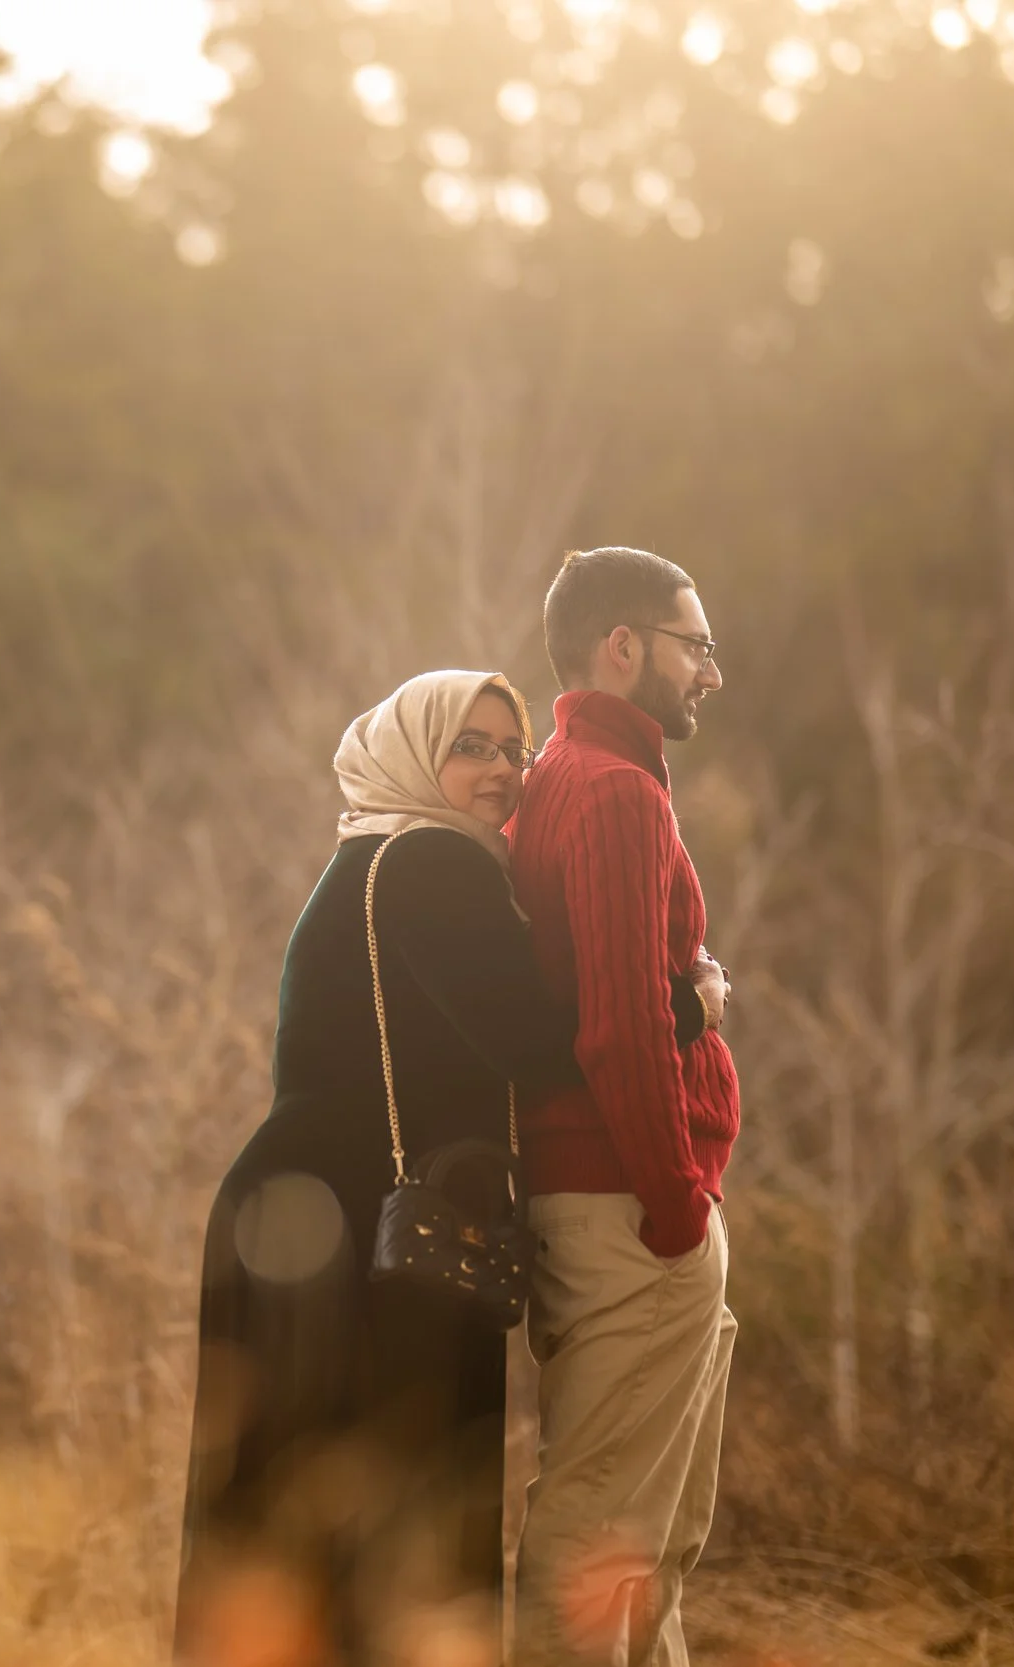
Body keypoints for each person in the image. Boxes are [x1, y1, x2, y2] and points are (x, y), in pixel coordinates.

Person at [175, 669, 710, 1667]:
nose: (500, 771)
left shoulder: (371, 856)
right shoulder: (430, 862)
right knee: (392, 1501)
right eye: (469, 745)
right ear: (414, 752)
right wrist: (692, 1005)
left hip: (307, 1215)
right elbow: (544, 1044)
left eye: (512, 750)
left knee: (299, 1510)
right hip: (365, 1231)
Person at [508, 548, 741, 1667]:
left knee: (651, 1545)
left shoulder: (570, 773)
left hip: (617, 1203)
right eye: (695, 646)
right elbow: (617, 1027)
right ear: (624, 647)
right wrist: (674, 1207)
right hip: (629, 1210)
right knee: (600, 1535)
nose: (711, 672)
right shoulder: (608, 792)